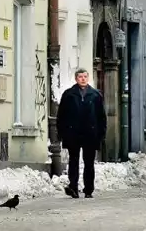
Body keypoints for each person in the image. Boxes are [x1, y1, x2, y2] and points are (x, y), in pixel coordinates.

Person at [56, 68, 107, 199]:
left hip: (90, 133)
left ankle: (88, 189)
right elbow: (61, 115)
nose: (83, 79)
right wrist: (62, 132)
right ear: (76, 78)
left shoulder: (95, 95)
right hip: (73, 132)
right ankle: (73, 186)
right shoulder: (69, 94)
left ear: (88, 78)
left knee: (89, 162)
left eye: (85, 76)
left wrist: (101, 133)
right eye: (80, 77)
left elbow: (101, 116)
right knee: (73, 161)